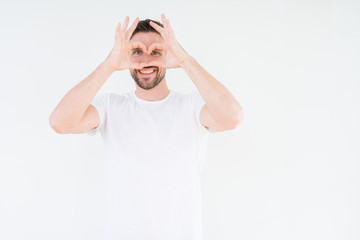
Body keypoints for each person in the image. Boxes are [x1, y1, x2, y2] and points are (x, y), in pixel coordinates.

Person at [49, 14, 243, 240]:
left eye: (156, 52)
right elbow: (59, 122)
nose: (146, 61)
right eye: (137, 52)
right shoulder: (111, 106)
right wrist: (109, 65)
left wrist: (184, 60)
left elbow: (232, 117)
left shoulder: (192, 106)